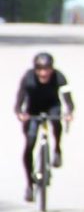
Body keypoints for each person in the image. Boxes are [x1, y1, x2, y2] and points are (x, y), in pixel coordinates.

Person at [15, 52, 74, 202]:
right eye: (40, 69)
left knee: (56, 122)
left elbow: (68, 98)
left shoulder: (59, 77)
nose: (43, 72)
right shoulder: (28, 78)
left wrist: (69, 112)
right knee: (30, 143)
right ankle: (29, 184)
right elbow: (20, 98)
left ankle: (57, 149)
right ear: (35, 69)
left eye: (47, 69)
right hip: (33, 109)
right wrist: (20, 113)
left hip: (52, 106)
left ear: (52, 69)